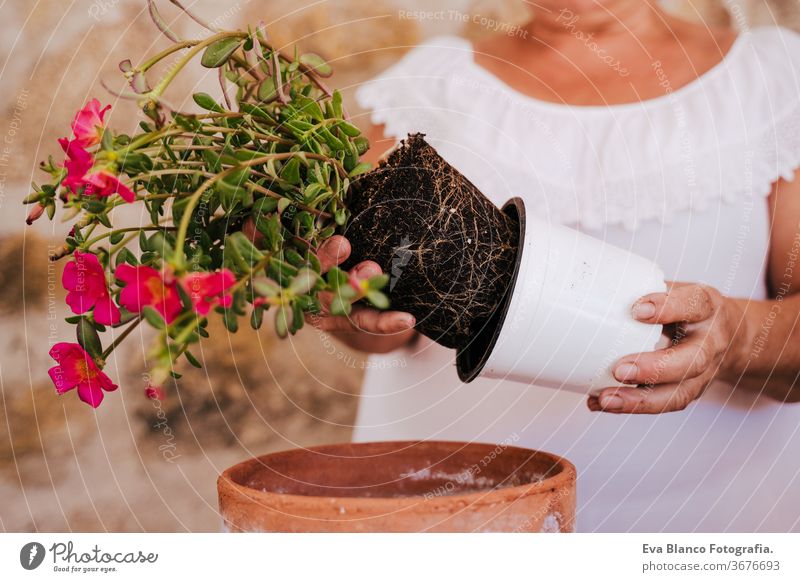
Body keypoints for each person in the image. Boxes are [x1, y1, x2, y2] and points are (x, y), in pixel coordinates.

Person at [310, 0, 800, 531]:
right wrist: (351, 306)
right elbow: (386, 326)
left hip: (705, 521)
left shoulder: (770, 83)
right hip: (455, 521)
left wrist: (734, 335)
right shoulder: (430, 87)